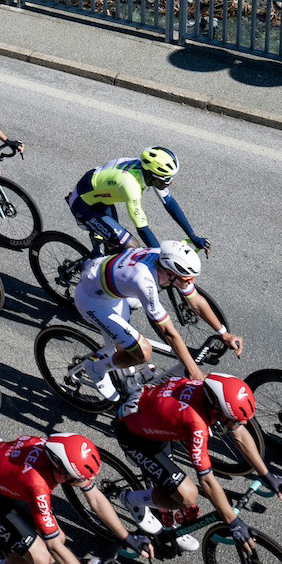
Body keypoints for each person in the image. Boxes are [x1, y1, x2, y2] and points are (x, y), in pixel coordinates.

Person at [111, 374, 282, 543]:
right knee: (187, 496)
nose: (240, 425)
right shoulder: (196, 425)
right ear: (216, 410)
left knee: (172, 488)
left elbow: (239, 433)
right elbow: (207, 481)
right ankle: (130, 499)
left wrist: (266, 474)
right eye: (234, 420)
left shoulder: (207, 389)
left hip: (150, 416)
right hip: (133, 436)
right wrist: (232, 521)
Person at [0, 433, 150, 564]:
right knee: (41, 560)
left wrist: (127, 537)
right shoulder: (38, 485)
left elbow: (95, 499)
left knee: (59, 537)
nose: (89, 481)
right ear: (61, 473)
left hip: (6, 473)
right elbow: (53, 546)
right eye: (81, 479)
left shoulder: (61, 450)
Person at [73, 242, 238, 401]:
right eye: (187, 279)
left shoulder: (164, 260)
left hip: (108, 287)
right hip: (92, 302)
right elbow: (168, 332)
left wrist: (224, 333)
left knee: (126, 347)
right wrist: (193, 370)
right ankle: (95, 368)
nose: (191, 283)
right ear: (169, 274)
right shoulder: (144, 281)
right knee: (142, 352)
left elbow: (195, 301)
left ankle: (128, 378)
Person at [68, 147, 205, 253]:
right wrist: (161, 257)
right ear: (152, 175)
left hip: (99, 196)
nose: (170, 183)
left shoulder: (145, 169)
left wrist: (192, 235)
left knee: (115, 249)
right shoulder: (130, 185)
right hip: (83, 205)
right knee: (132, 245)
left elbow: (169, 203)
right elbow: (142, 227)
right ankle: (92, 274)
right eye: (167, 178)